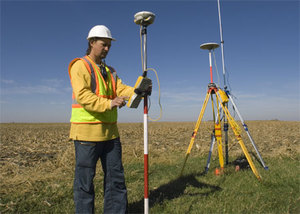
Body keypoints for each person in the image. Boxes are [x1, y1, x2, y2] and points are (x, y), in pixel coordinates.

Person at [68, 25, 151, 214]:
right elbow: (83, 96)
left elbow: (121, 88)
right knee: (85, 183)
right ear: (91, 43)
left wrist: (139, 90)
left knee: (116, 180)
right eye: (103, 45)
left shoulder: (110, 70)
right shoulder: (80, 65)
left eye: (109, 46)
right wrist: (110, 103)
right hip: (86, 135)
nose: (106, 49)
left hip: (111, 135)